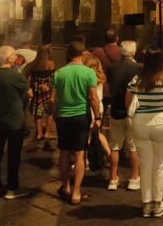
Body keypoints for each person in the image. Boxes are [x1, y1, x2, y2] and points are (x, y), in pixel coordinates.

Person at [126, 50, 163, 217]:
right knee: (161, 164)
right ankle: (157, 203)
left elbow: (128, 102)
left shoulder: (137, 80)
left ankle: (146, 203)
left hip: (141, 123)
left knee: (145, 164)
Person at [52, 41, 101, 205]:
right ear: (82, 54)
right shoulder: (88, 73)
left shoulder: (59, 73)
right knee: (80, 153)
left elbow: (53, 99)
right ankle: (76, 192)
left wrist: (54, 115)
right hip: (81, 116)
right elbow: (93, 98)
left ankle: (65, 186)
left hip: (64, 116)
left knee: (64, 151)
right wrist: (98, 117)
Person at [0, 46, 30, 199]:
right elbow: (28, 92)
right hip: (14, 121)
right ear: (9, 58)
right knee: (13, 154)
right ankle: (12, 187)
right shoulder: (15, 76)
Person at [106, 41, 141, 191]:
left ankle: (113, 178)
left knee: (115, 146)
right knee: (133, 146)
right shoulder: (139, 68)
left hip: (116, 109)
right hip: (133, 112)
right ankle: (134, 178)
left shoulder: (112, 68)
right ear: (133, 52)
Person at [81, 54, 111, 156]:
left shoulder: (90, 80)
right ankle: (109, 153)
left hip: (93, 108)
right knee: (96, 133)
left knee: (87, 135)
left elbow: (93, 98)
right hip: (99, 107)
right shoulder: (100, 79)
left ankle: (86, 160)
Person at [26, 45, 56, 142]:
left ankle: (39, 133)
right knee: (49, 112)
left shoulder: (33, 64)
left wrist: (30, 87)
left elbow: (27, 76)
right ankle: (47, 132)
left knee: (37, 113)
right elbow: (53, 78)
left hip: (36, 90)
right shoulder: (51, 63)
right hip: (47, 90)